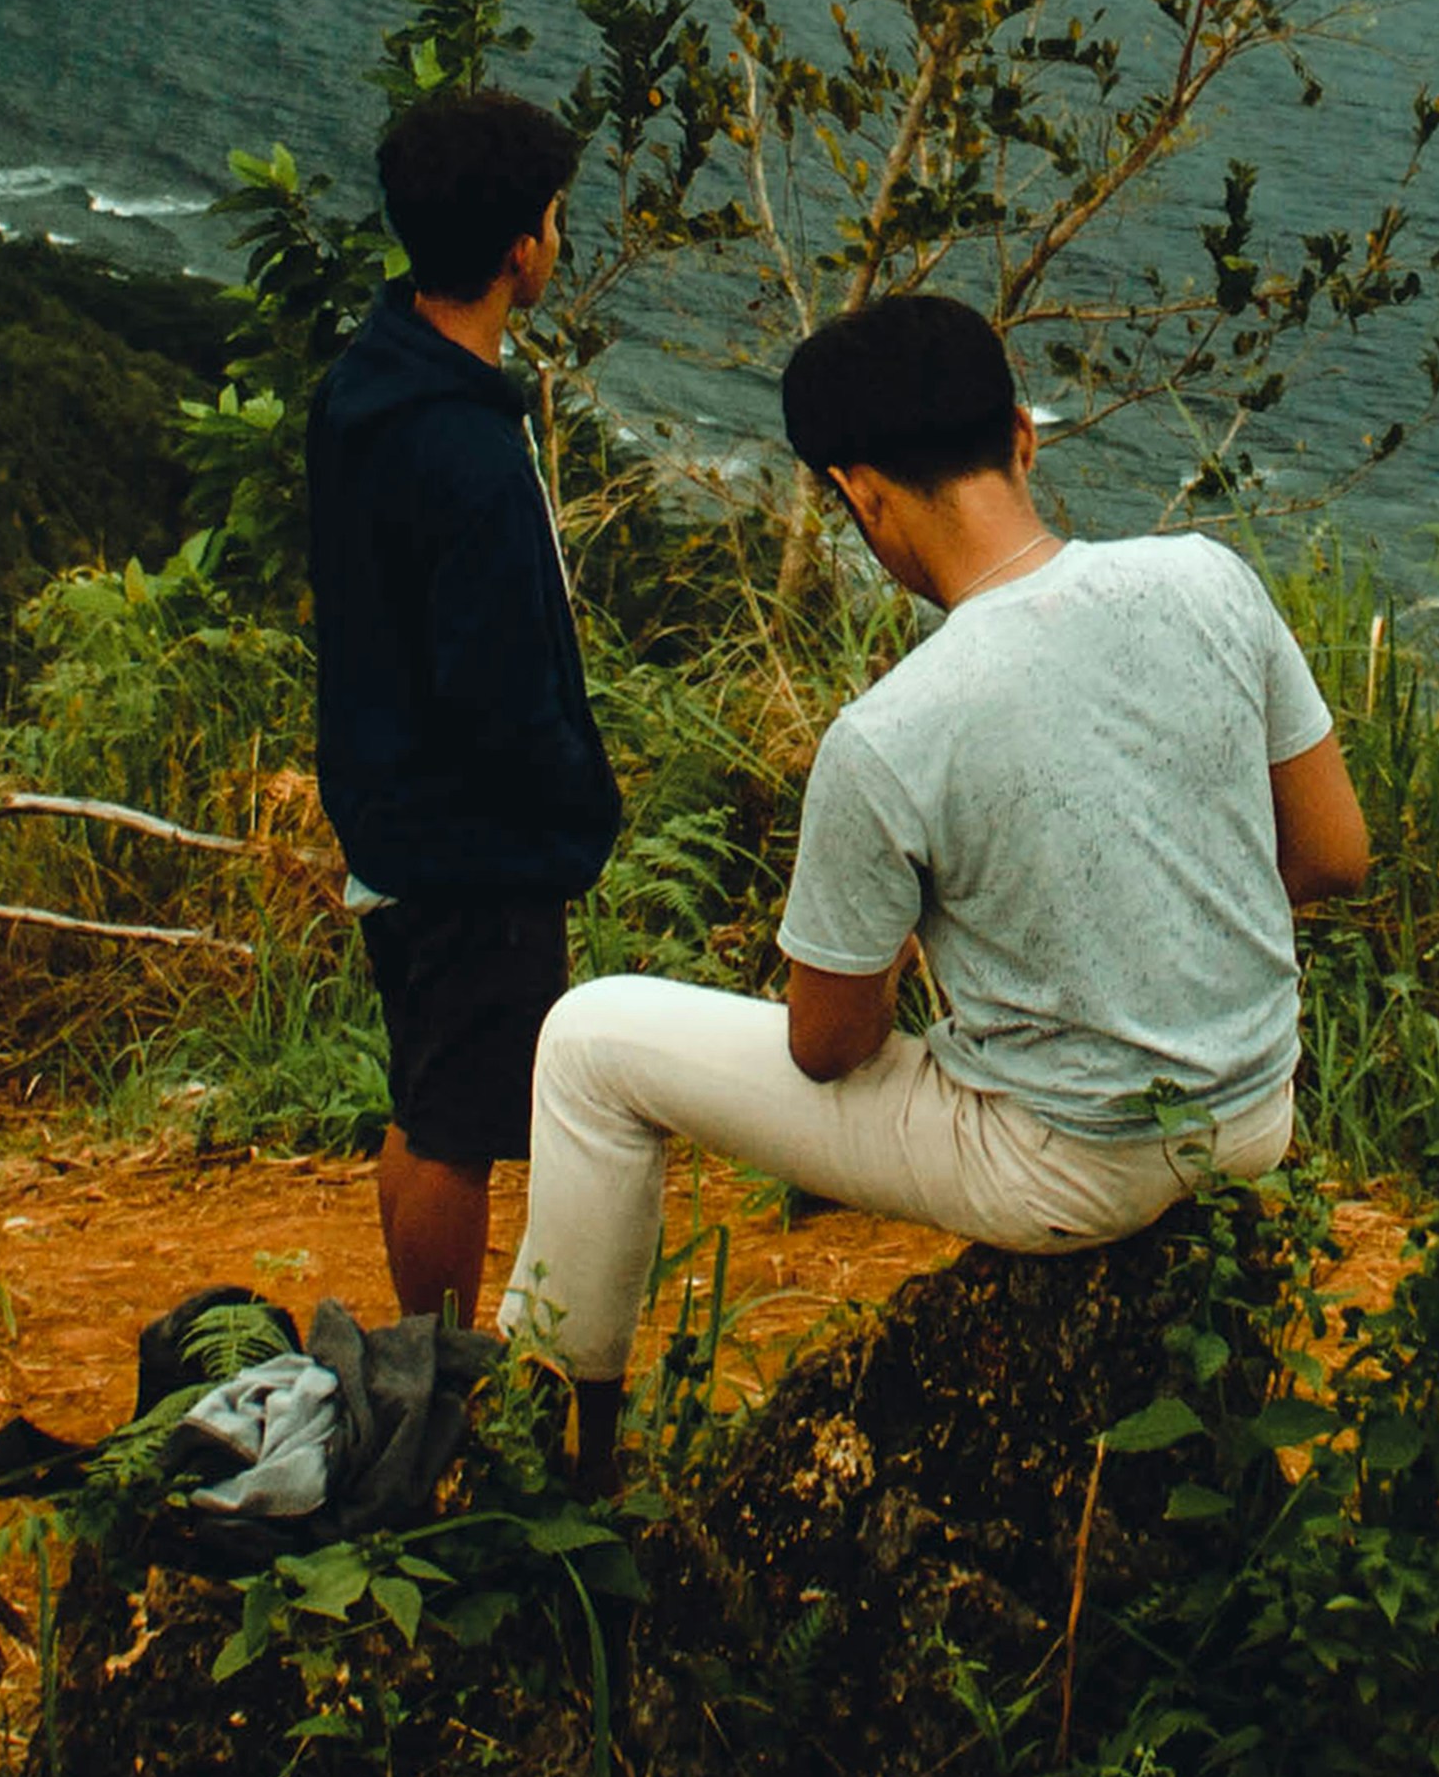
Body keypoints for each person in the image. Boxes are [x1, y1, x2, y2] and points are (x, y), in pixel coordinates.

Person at [501, 292, 1374, 1482]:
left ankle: (556, 1454)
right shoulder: (1210, 580)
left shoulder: (892, 730)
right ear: (1024, 435)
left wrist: (909, 947)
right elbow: (1332, 854)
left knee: (591, 1040)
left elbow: (828, 1047)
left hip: (1064, 1164)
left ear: (858, 494)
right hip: (1252, 1110)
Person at [304, 85, 623, 1331]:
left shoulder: (371, 387)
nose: (558, 235)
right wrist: (574, 807)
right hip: (468, 842)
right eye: (552, 214)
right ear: (518, 247)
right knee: (457, 1127)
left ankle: (421, 1357)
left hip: (394, 805)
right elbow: (499, 689)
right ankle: (436, 1371)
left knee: (426, 1095)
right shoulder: (469, 453)